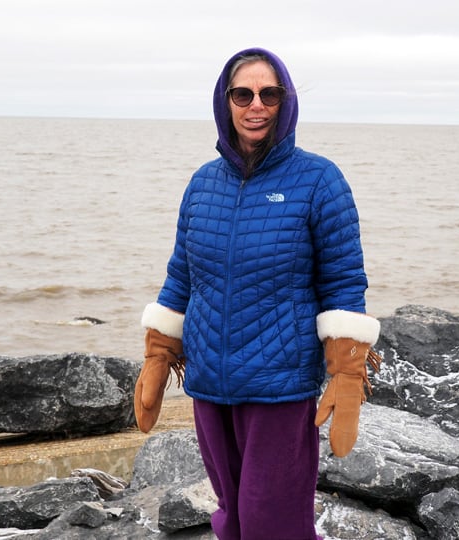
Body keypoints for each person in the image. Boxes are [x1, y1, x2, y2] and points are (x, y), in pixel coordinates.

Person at [134, 47, 381, 540]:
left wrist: (346, 369)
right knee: (231, 514)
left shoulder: (319, 180)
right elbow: (182, 272)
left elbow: (344, 281)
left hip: (279, 384)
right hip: (208, 381)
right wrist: (161, 351)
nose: (256, 105)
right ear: (225, 102)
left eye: (269, 94)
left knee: (274, 520)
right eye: (242, 94)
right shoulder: (203, 183)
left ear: (285, 102)